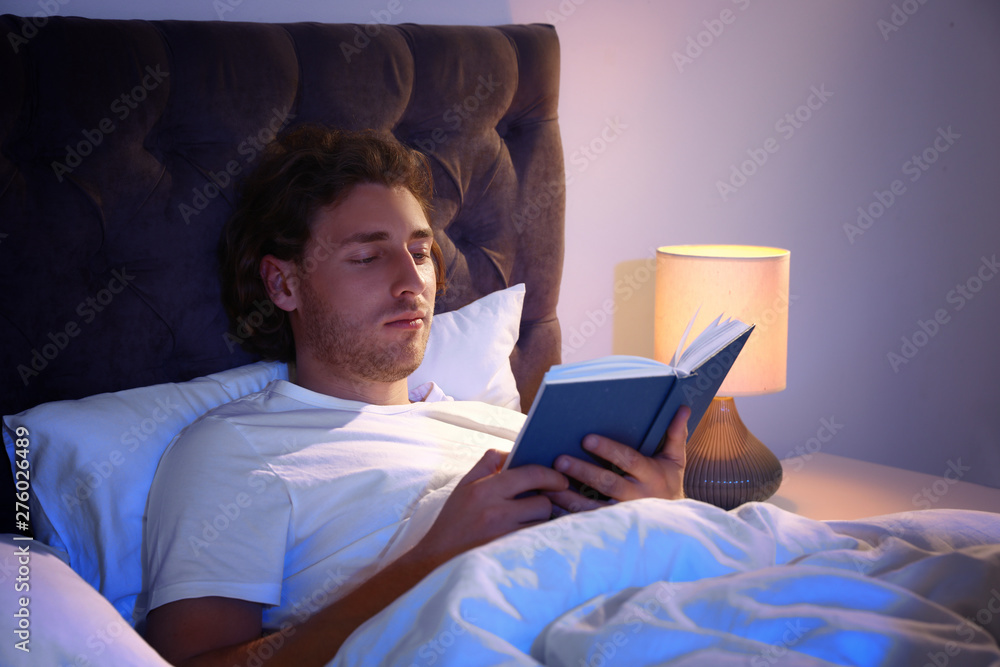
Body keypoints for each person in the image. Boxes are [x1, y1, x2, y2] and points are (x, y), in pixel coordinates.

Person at [141, 125, 690, 666]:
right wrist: (434, 560)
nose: (414, 281)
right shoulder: (234, 451)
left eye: (421, 252)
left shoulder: (505, 428)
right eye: (367, 257)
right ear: (284, 284)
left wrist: (666, 514)